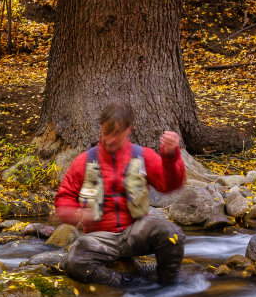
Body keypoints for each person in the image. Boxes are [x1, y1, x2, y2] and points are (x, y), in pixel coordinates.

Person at [54, 101, 187, 287]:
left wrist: (171, 156)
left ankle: (168, 287)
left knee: (172, 234)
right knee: (75, 260)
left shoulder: (143, 156)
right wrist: (77, 213)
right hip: (100, 238)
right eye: (106, 133)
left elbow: (171, 185)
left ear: (128, 130)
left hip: (136, 231)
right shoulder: (84, 161)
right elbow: (63, 199)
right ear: (100, 127)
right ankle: (124, 284)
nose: (109, 140)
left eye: (116, 134)